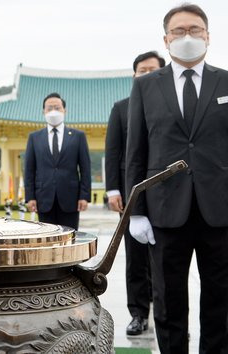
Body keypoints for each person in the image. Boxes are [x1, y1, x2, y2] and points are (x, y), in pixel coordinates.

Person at [126, 4, 228, 353]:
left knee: (220, 296)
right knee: (168, 298)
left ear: (208, 36)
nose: (188, 37)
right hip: (165, 208)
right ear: (166, 39)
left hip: (220, 209)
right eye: (180, 31)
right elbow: (136, 150)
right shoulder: (146, 87)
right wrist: (135, 210)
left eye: (195, 30)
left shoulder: (226, 81)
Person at [105, 51, 165, 336]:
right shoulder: (121, 107)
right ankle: (138, 313)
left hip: (168, 195)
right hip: (133, 195)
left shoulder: (173, 107)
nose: (146, 74)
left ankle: (167, 316)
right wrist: (114, 189)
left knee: (166, 260)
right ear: (134, 75)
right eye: (141, 70)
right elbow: (114, 151)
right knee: (136, 259)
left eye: (152, 69)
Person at [24, 93, 91, 230]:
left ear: (64, 110)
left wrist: (84, 196)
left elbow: (85, 168)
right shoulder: (34, 138)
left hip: (71, 199)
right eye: (49, 108)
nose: (53, 111)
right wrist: (30, 197)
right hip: (43, 199)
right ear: (43, 111)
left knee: (69, 239)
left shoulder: (78, 136)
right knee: (48, 240)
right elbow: (29, 170)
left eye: (57, 107)